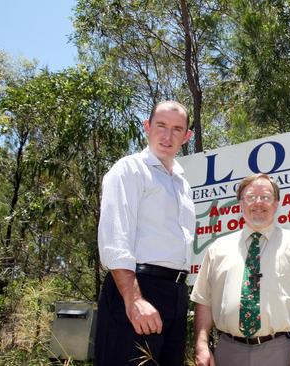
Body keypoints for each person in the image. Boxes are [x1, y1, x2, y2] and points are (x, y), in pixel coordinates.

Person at [191, 173, 290, 366]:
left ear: (276, 204)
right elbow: (203, 301)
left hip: (283, 351)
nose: (258, 203)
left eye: (266, 197)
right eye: (250, 197)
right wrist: (201, 345)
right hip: (228, 352)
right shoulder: (217, 249)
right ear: (240, 204)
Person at [95, 100, 195, 366]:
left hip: (176, 294)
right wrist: (134, 299)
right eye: (161, 125)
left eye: (177, 129)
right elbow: (115, 239)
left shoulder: (183, 185)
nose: (167, 135)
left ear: (187, 137)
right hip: (137, 287)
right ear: (147, 127)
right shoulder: (129, 169)